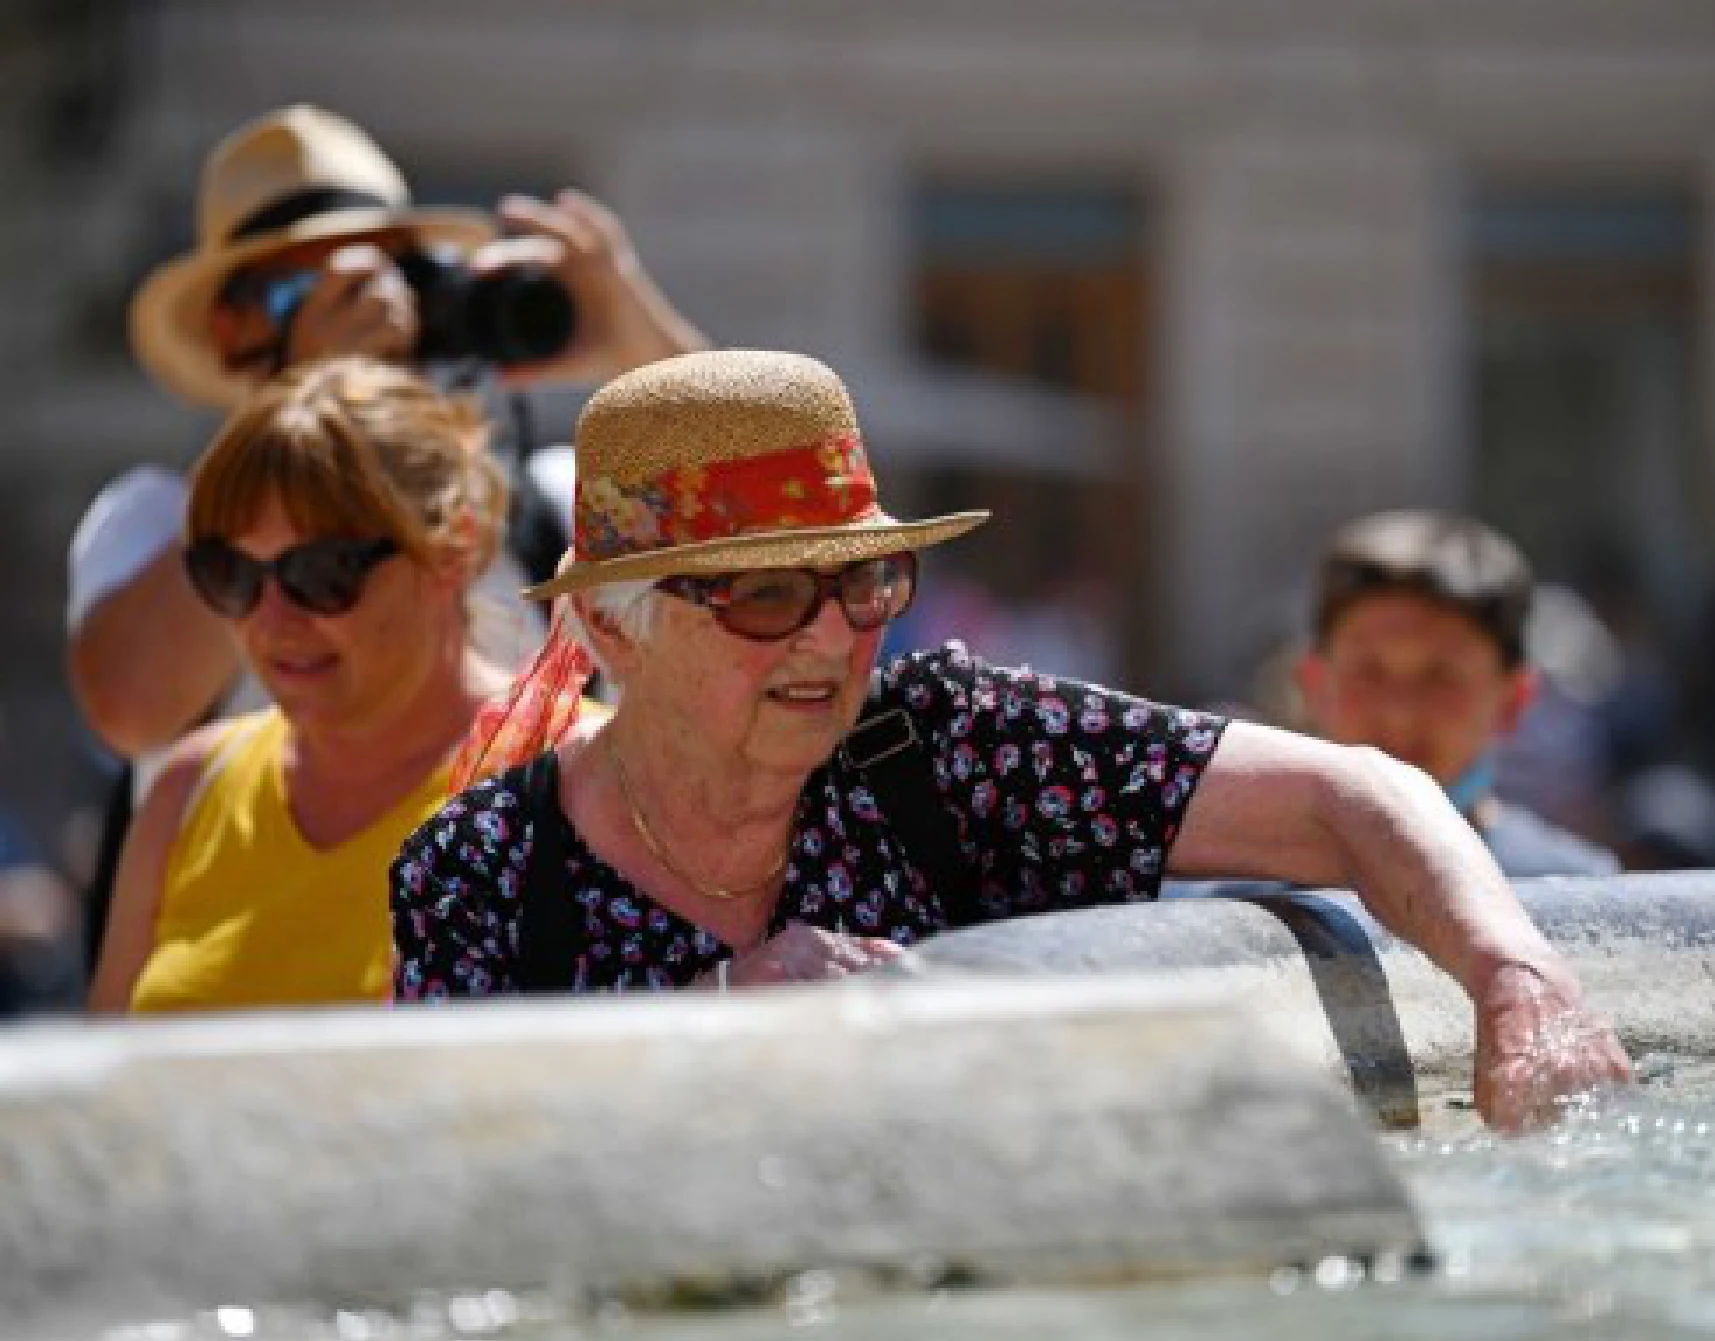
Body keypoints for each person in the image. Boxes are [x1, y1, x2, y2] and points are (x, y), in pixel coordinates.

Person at [392, 351, 1632, 1132]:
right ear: (619, 624)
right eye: (768, 595)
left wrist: (1519, 985)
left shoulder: (945, 746)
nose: (832, 638)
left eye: (863, 580)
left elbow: (1351, 792)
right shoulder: (482, 866)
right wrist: (713, 1015)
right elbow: (436, 1174)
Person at [66, 105, 707, 966]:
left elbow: (792, 543)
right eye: (305, 291)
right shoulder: (157, 517)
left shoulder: (545, 505)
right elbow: (132, 702)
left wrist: (641, 339)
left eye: (387, 277)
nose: (364, 315)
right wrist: (305, 399)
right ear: (230, 329)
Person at [88, 359, 518, 1013]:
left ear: (456, 546)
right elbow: (105, 1087)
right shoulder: (189, 787)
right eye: (230, 572)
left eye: (322, 571)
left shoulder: (578, 779)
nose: (271, 617)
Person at [1290, 510, 1619, 878]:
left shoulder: (1576, 895)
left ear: (1513, 699)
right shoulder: (1239, 898)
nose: (1401, 714)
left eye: (1441, 677)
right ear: (1314, 684)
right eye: (1369, 672)